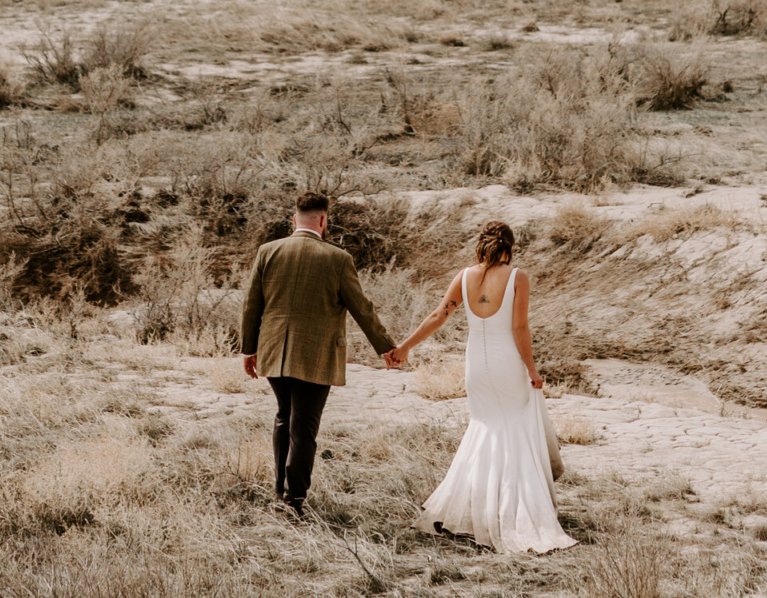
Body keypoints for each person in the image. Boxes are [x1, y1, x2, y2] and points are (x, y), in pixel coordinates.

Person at [387, 220, 577, 556]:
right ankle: (513, 512)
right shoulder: (517, 276)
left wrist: (404, 347)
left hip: (476, 363)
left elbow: (438, 314)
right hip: (506, 362)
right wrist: (532, 369)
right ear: (510, 247)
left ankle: (476, 509)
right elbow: (519, 327)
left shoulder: (464, 276)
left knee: (484, 427)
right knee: (514, 429)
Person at [238, 191, 402, 517]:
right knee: (304, 428)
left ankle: (280, 494)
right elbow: (362, 309)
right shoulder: (338, 259)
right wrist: (387, 348)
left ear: (293, 218)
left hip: (273, 351)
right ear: (324, 220)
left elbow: (251, 305)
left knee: (284, 417)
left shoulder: (268, 251)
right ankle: (293, 502)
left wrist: (248, 349)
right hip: (315, 354)